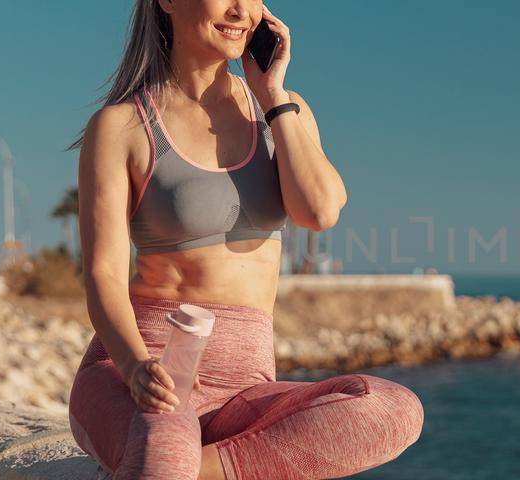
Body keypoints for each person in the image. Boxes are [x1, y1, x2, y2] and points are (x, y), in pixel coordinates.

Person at [65, 1, 423, 478]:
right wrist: (134, 368)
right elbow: (103, 274)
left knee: (391, 408)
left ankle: (193, 469)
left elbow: (319, 211)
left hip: (244, 388)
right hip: (145, 368)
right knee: (165, 444)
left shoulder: (280, 110)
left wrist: (273, 96)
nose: (240, 10)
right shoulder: (123, 126)